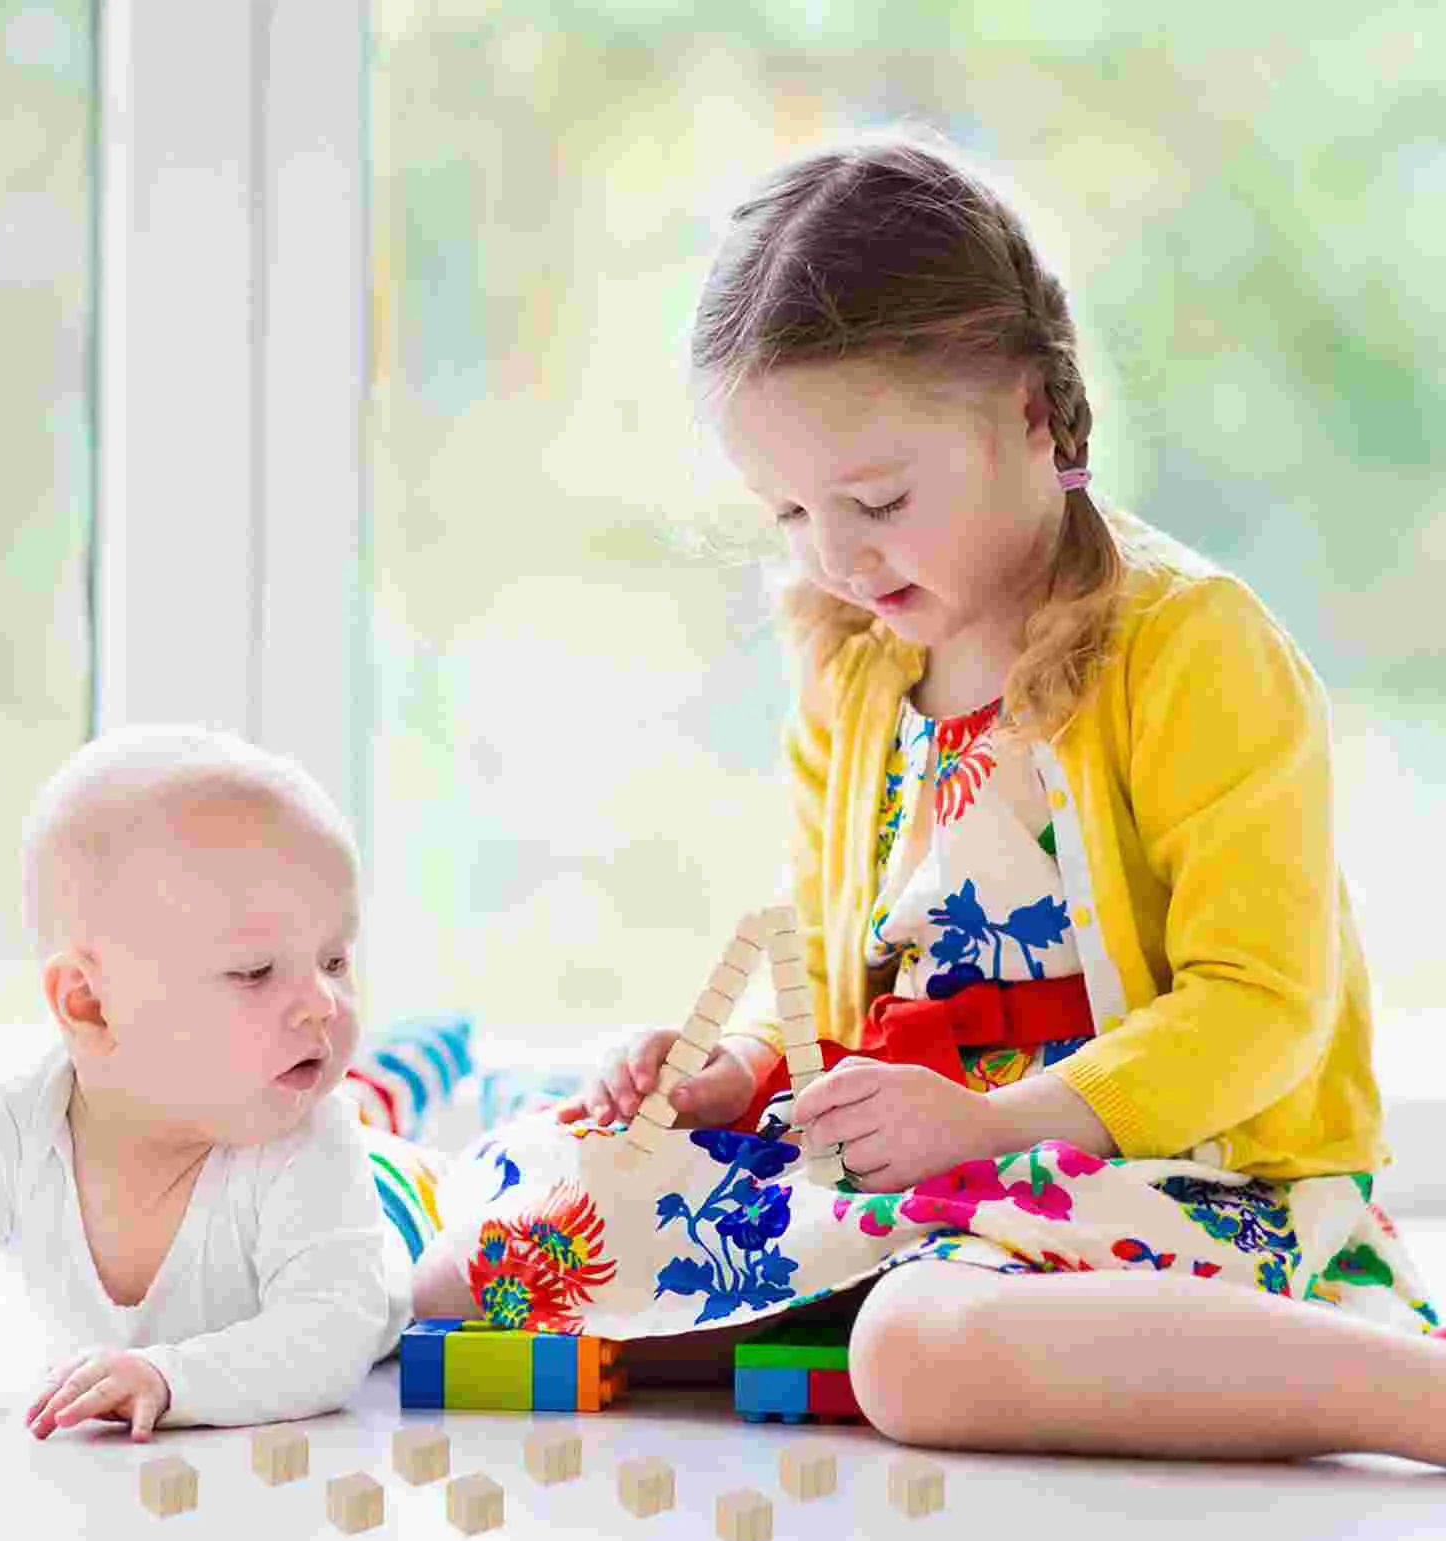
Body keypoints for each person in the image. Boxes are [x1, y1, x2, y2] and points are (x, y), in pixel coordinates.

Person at [409, 129, 1446, 1463]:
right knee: (482, 1269)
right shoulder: (857, 675)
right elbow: (853, 1002)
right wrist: (733, 1079)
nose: (835, 555)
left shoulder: (1190, 646)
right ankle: (910, 1302)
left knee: (915, 1351)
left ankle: (1410, 1393)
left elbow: (1263, 1010)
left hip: (1185, 1179)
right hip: (934, 1182)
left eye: (877, 499)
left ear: (1032, 412)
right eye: (787, 514)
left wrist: (1000, 1123)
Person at [0, 725, 437, 1442]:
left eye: (335, 961)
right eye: (255, 971)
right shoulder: (14, 1125)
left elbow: (327, 1337)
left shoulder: (306, 1136)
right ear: (90, 1004)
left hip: (397, 1215)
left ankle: (439, 1088)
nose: (322, 1002)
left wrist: (169, 1378)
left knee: (469, 1259)